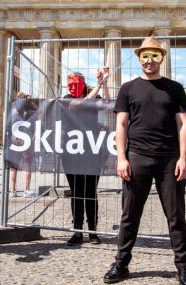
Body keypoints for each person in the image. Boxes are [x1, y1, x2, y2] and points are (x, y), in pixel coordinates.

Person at [103, 36, 186, 285]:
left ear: (161, 58)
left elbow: (183, 124)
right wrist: (121, 157)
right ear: (139, 58)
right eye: (145, 55)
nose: (150, 60)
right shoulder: (128, 88)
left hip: (169, 159)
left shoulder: (174, 88)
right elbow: (120, 123)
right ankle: (121, 263)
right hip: (137, 158)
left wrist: (184, 158)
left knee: (176, 216)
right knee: (129, 215)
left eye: (155, 55)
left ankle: (183, 267)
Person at [63, 68, 109, 246]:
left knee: (90, 192)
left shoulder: (94, 96)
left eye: (76, 84)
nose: (73, 87)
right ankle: (77, 231)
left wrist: (103, 82)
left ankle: (93, 231)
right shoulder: (67, 98)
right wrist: (97, 86)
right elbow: (81, 104)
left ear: (82, 84)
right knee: (77, 193)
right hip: (71, 152)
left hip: (91, 151)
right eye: (71, 84)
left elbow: (105, 103)